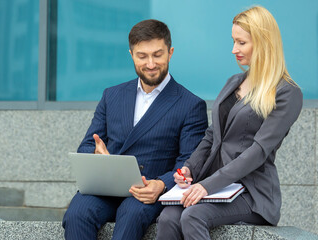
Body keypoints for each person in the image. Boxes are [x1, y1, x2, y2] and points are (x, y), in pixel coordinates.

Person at [156, 6, 303, 240]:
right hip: (216, 185)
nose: (234, 49)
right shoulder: (234, 82)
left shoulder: (287, 93)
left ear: (264, 42)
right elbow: (213, 136)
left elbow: (258, 151)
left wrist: (208, 186)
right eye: (234, 41)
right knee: (167, 217)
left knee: (193, 215)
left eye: (241, 42)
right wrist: (189, 169)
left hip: (251, 192)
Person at [62, 19, 208, 240]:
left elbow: (189, 162)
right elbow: (88, 144)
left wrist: (161, 184)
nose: (150, 63)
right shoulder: (112, 95)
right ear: (131, 55)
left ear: (170, 52)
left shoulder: (191, 105)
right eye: (142, 56)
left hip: (149, 191)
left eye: (157, 55)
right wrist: (96, 155)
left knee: (131, 214)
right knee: (76, 213)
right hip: (106, 188)